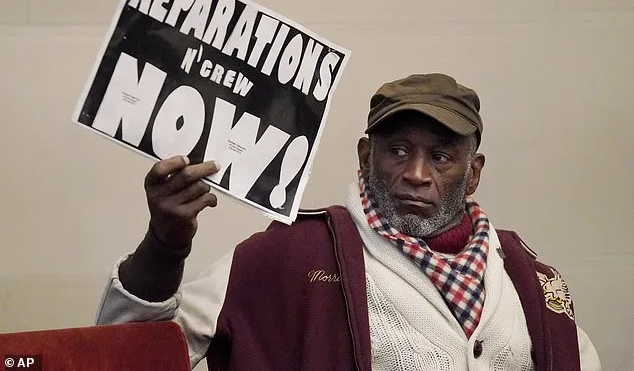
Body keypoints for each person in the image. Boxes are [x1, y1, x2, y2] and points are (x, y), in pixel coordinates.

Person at [96, 73, 601, 371]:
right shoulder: (284, 257)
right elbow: (124, 360)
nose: (417, 174)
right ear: (365, 157)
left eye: (442, 157)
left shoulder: (526, 277)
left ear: (473, 173)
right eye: (398, 151)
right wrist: (164, 245)